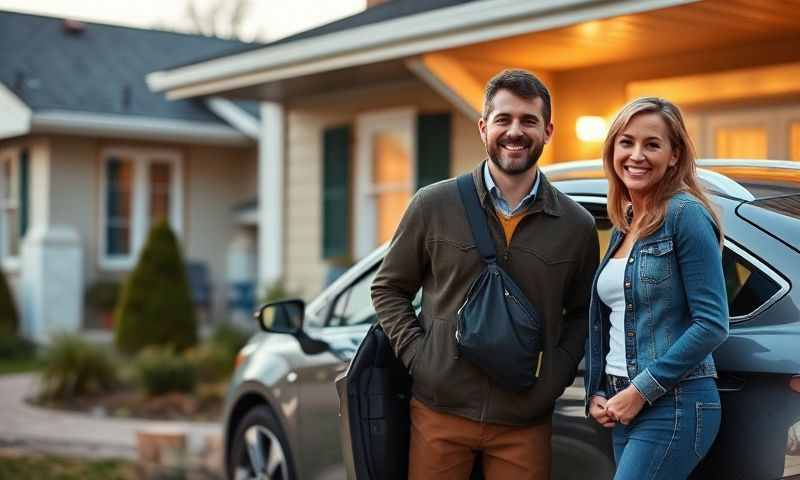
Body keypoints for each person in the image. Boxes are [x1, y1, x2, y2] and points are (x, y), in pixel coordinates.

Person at [372, 69, 599, 480]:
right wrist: (423, 361)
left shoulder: (576, 225)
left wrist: (553, 379)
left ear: (548, 130)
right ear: (483, 128)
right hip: (439, 413)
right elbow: (388, 288)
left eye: (528, 121)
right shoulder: (432, 205)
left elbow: (584, 314)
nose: (516, 131)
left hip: (524, 421)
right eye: (504, 119)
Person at [585, 97, 730, 479]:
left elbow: (713, 323)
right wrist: (598, 390)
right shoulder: (626, 223)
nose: (637, 155)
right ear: (613, 149)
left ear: (674, 154)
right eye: (626, 142)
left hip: (674, 405)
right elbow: (615, 318)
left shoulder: (685, 215)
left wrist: (640, 392)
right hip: (622, 404)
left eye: (652, 144)